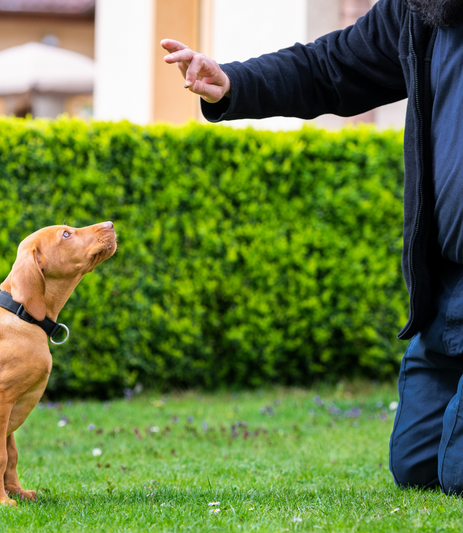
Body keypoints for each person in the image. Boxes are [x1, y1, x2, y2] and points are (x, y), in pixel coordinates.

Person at [162, 0, 463, 495]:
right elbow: (329, 67)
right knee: (419, 466)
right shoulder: (422, 12)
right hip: (448, 290)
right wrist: (233, 83)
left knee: (455, 472)